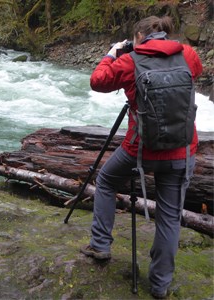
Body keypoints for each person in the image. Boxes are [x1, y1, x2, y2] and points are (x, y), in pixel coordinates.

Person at [80, 15, 203, 299]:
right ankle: (160, 286)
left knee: (107, 180)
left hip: (141, 150)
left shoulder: (129, 61)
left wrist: (112, 53)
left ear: (137, 35)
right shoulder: (189, 54)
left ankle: (100, 245)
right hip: (182, 149)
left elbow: (97, 81)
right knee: (170, 216)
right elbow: (190, 77)